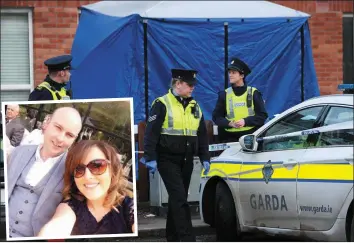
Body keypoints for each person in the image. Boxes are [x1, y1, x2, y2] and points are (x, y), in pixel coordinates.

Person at [142, 68, 210, 242]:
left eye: (193, 85)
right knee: (180, 198)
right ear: (178, 84)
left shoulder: (195, 106)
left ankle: (172, 237)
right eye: (189, 84)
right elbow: (151, 133)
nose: (193, 88)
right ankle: (187, 238)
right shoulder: (162, 103)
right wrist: (150, 158)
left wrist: (205, 158)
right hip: (167, 159)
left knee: (177, 198)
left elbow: (202, 134)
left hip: (187, 160)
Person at [7, 107, 82, 238]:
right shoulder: (18, 153)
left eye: (69, 135)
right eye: (58, 127)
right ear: (46, 124)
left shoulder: (72, 171)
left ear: (74, 140)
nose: (60, 138)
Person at [37, 140, 135, 237]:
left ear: (112, 170)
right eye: (79, 169)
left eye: (97, 166)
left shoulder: (129, 207)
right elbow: (57, 227)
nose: (87, 176)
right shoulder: (70, 207)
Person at [212, 57, 268, 143]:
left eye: (233, 73)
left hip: (250, 137)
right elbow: (216, 117)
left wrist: (245, 121)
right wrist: (229, 123)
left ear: (242, 75)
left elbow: (262, 115)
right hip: (229, 138)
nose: (230, 75)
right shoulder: (224, 94)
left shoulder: (254, 93)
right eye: (229, 72)